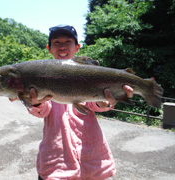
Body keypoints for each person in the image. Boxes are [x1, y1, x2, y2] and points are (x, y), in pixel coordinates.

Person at [11, 25, 133, 180]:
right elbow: (43, 110)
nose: (62, 46)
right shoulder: (40, 74)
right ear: (49, 48)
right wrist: (34, 102)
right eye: (56, 42)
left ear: (77, 47)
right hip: (56, 167)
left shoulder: (88, 73)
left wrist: (104, 102)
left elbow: (93, 104)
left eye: (68, 41)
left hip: (93, 164)